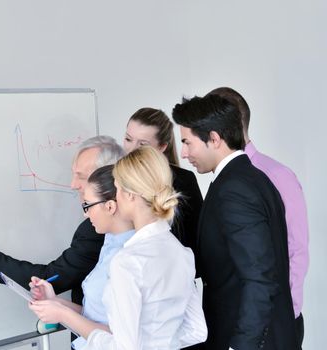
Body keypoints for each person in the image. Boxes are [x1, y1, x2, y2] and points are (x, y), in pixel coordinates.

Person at [30, 146, 207, 349]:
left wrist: (62, 314)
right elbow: (197, 331)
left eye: (118, 188)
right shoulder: (181, 253)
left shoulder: (128, 261)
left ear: (130, 195)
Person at [172, 94, 298, 349]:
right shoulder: (246, 178)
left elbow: (259, 277)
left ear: (215, 139)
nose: (184, 153)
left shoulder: (235, 188)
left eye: (187, 142)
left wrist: (242, 345)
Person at [0, 135, 125, 306]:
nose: (73, 185)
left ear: (107, 179)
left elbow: (52, 278)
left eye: (81, 176)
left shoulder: (99, 231)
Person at [207, 87, 309, 348]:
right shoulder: (224, 176)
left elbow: (296, 250)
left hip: (274, 322)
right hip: (235, 322)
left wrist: (287, 313)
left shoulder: (277, 175)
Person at [29, 164, 135, 349]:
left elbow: (121, 338)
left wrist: (62, 314)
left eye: (87, 205)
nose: (84, 213)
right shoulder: (110, 242)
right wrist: (56, 302)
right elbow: (96, 315)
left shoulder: (129, 257)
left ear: (110, 206)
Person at [123, 108, 203, 253]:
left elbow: (196, 241)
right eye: (128, 139)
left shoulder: (184, 181)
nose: (132, 149)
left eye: (143, 144)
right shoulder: (116, 178)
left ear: (162, 147)